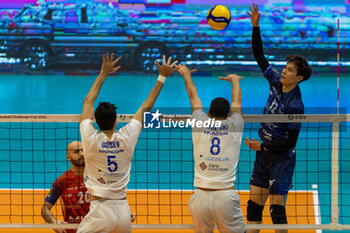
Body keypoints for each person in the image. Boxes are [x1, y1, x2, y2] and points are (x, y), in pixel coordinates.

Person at [77, 53, 178, 233]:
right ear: (116, 121)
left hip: (100, 211)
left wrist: (103, 74)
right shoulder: (127, 135)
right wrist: (162, 76)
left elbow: (87, 101)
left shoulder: (90, 138)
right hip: (124, 211)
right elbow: (146, 107)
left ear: (96, 121)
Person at [244, 4, 312, 233]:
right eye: (285, 67)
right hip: (263, 155)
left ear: (299, 77)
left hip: (281, 159)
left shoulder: (295, 105)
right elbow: (260, 56)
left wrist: (262, 145)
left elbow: (290, 143)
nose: (284, 71)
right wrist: (256, 27)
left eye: (290, 70)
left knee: (276, 211)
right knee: (253, 207)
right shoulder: (275, 81)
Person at [176, 63, 245, 233]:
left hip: (200, 197)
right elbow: (237, 101)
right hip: (225, 197)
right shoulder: (236, 123)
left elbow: (193, 96)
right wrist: (235, 81)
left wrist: (186, 74)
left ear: (209, 113)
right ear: (229, 113)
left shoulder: (200, 120)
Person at [41, 141, 89, 233]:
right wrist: (54, 222)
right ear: (68, 157)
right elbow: (45, 209)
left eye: (83, 150)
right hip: (72, 230)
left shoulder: (97, 177)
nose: (81, 154)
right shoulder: (61, 181)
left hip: (95, 229)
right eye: (76, 151)